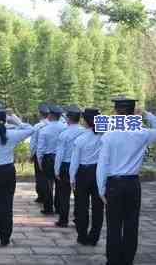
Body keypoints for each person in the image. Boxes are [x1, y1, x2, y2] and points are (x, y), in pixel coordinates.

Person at [96, 97, 156, 265]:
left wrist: (101, 189)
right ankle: (127, 259)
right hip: (133, 184)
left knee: (114, 225)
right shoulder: (143, 133)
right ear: (133, 114)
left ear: (116, 113)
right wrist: (147, 115)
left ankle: (113, 260)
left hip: (114, 184)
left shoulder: (109, 136)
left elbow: (102, 164)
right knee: (131, 224)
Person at [0, 108, 34, 246]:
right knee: (7, 206)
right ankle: (5, 238)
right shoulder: (12, 134)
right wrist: (14, 119)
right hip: (8, 171)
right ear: (4, 119)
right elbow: (30, 129)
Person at [69, 108, 104, 246]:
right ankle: (94, 237)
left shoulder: (81, 139)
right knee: (98, 207)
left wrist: (72, 178)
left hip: (83, 174)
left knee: (81, 206)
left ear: (85, 121)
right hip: (99, 172)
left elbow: (75, 161)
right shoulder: (104, 136)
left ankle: (82, 236)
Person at [54, 105, 85, 227]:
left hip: (66, 166)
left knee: (64, 195)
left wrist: (56, 170)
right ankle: (78, 218)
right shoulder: (84, 131)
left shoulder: (64, 134)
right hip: (80, 166)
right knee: (80, 195)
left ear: (68, 118)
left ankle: (63, 219)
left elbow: (59, 154)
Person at [37, 104, 66, 215]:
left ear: (50, 115)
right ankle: (59, 207)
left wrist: (40, 161)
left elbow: (40, 148)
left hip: (48, 159)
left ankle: (48, 208)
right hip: (61, 158)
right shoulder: (64, 128)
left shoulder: (44, 129)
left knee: (48, 184)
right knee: (60, 184)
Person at [29, 103, 50, 204]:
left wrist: (31, 154)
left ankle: (41, 196)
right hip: (51, 155)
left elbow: (33, 143)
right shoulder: (54, 125)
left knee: (40, 176)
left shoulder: (37, 126)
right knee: (49, 178)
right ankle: (48, 197)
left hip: (39, 154)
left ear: (40, 114)